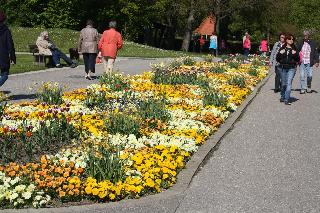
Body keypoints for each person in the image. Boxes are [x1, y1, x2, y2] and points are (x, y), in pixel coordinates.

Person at [276, 33, 299, 105]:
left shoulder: (295, 48)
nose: (291, 40)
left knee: (289, 84)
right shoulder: (282, 48)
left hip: (291, 68)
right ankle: (282, 96)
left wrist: (295, 54)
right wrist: (280, 53)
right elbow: (277, 59)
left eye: (292, 39)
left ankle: (287, 99)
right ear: (286, 40)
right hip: (283, 68)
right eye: (289, 39)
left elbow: (298, 59)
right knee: (283, 84)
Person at [0, 11, 15, 87]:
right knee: (4, 75)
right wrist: (13, 57)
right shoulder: (6, 31)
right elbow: (10, 46)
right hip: (2, 56)